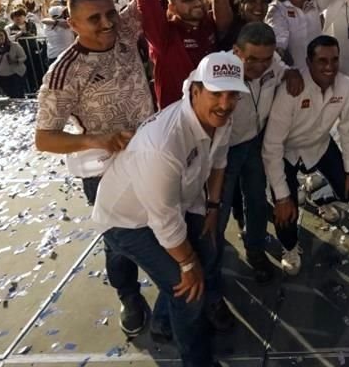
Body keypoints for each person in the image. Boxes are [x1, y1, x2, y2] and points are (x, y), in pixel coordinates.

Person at [93, 52, 249, 367]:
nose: (225, 103)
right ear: (195, 90)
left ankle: (164, 324)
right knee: (188, 290)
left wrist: (213, 207)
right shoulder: (163, 144)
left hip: (177, 204)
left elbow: (219, 161)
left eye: (232, 94)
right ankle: (196, 361)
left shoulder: (223, 119)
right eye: (216, 93)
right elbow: (162, 221)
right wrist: (188, 265)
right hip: (127, 220)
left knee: (205, 253)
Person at [35, 0, 157, 337]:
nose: (107, 23)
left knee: (164, 220)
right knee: (118, 240)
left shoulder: (124, 33)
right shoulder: (64, 73)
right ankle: (129, 296)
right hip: (106, 170)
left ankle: (174, 288)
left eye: (110, 14)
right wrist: (95, 139)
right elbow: (45, 138)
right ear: (73, 25)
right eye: (94, 18)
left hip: (150, 156)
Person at [207, 22, 302, 285]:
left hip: (254, 143)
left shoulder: (273, 62)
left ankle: (256, 249)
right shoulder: (216, 71)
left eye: (266, 59)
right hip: (222, 151)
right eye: (252, 60)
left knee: (257, 200)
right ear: (236, 52)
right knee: (218, 209)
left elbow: (283, 69)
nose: (260, 67)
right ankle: (210, 271)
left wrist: (292, 72)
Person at [261, 35, 349, 276]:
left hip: (320, 144)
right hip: (287, 151)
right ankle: (289, 247)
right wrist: (283, 198)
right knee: (286, 214)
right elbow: (272, 146)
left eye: (335, 60)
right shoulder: (291, 90)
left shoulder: (346, 86)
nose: (329, 67)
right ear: (308, 61)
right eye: (322, 61)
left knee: (348, 191)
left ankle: (319, 194)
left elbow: (348, 131)